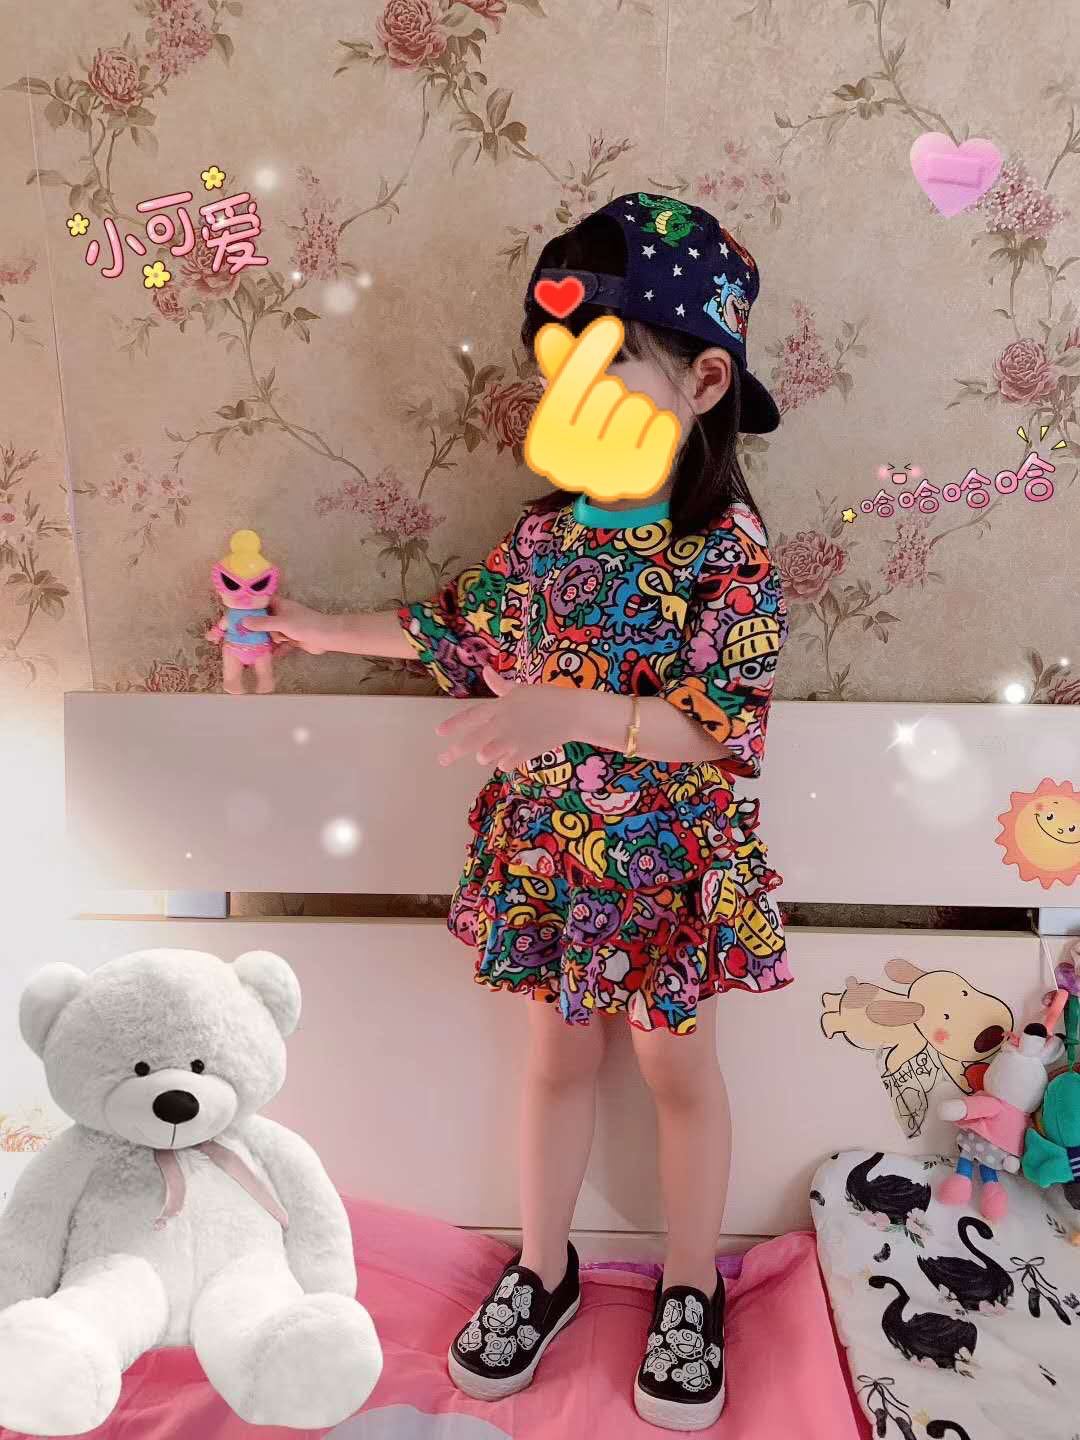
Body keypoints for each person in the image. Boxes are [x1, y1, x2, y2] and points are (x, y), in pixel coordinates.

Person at [245, 193, 791, 1431]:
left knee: (679, 1072)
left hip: (667, 865)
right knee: (555, 1064)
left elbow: (724, 727)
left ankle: (692, 1287)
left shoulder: (728, 552)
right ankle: (543, 1268)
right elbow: (451, 628)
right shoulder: (546, 543)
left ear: (705, 380)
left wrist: (570, 711)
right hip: (554, 862)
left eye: (600, 371)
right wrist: (314, 627)